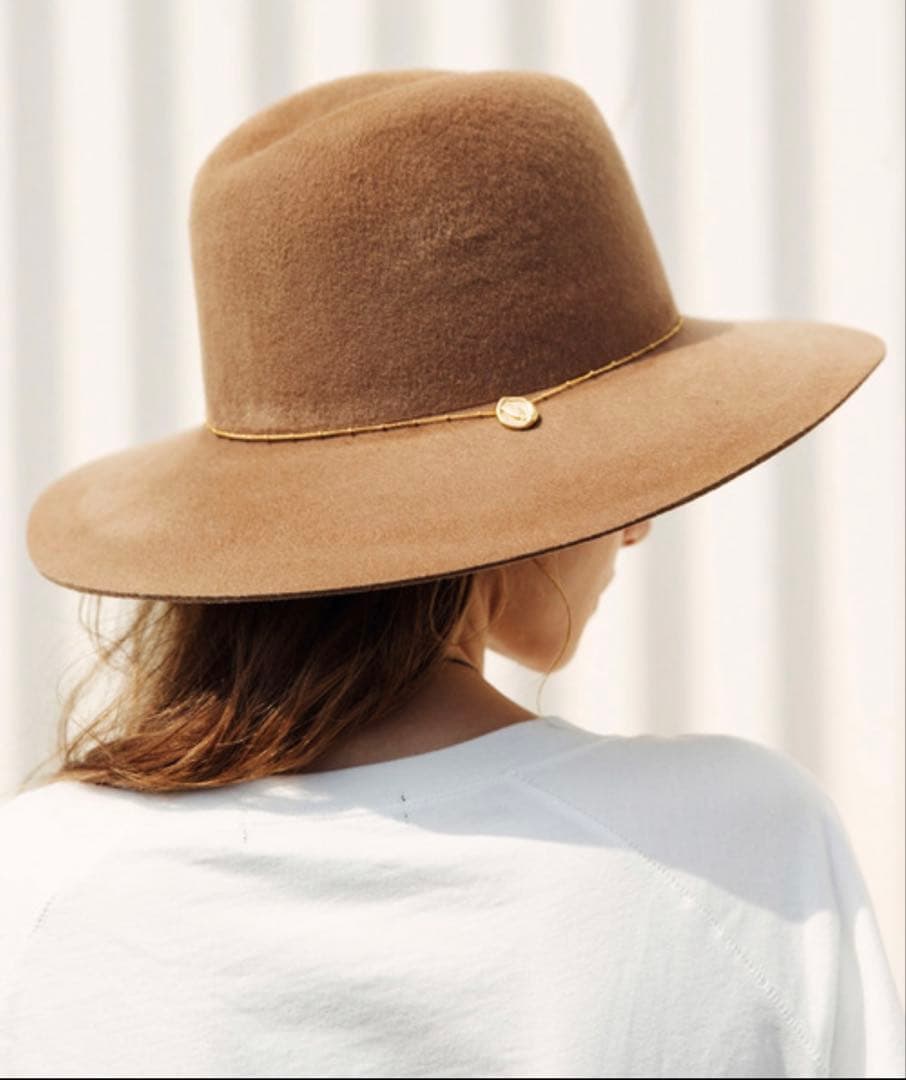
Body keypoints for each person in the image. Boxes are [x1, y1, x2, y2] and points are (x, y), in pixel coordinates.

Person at [2, 68, 903, 1078]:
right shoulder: (740, 857)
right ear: (494, 503)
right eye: (614, 468)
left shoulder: (40, 887)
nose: (638, 527)